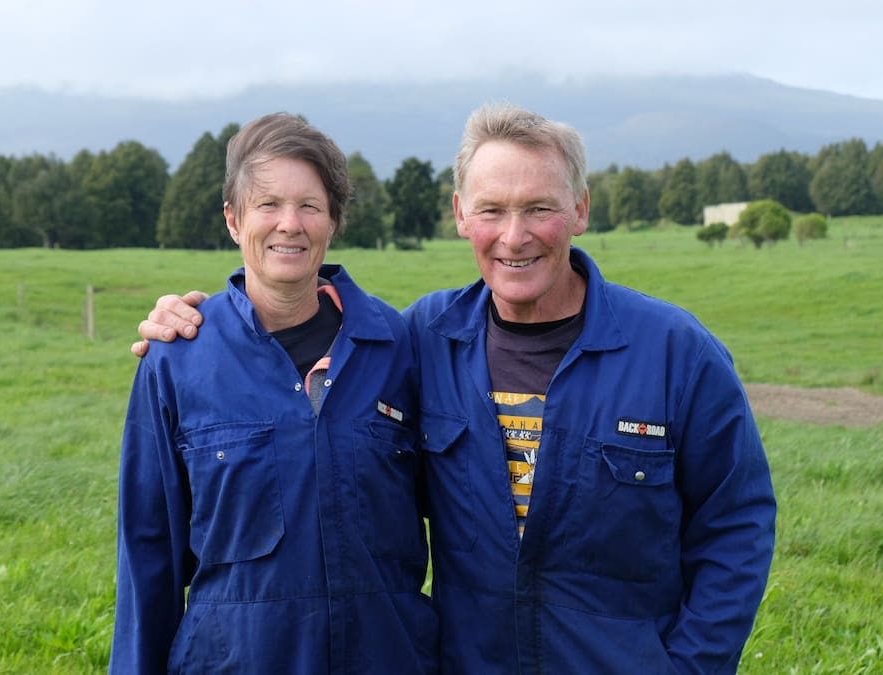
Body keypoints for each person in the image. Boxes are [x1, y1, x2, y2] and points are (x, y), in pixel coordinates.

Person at [133, 103, 777, 674]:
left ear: (580, 210)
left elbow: (736, 521)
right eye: (492, 210)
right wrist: (200, 326)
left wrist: (691, 665)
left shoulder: (674, 352)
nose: (514, 235)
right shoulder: (420, 341)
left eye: (540, 208)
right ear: (462, 216)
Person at [111, 112, 437, 674]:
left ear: (332, 220)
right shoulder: (177, 355)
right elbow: (147, 555)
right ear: (234, 220)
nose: (290, 224)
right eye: (268, 205)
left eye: (309, 205)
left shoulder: (399, 347)